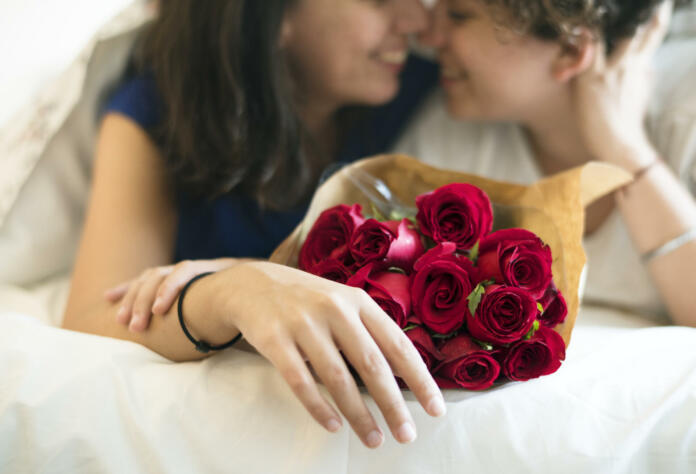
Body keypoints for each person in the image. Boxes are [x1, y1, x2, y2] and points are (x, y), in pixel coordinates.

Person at [61, 0, 447, 449]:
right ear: (272, 15)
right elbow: (89, 320)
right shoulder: (159, 112)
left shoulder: (419, 90)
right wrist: (230, 290)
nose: (419, 22)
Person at [395, 0, 696, 327]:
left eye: (458, 16)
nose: (428, 37)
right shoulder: (452, 129)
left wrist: (622, 144)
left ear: (570, 50)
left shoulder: (685, 112)